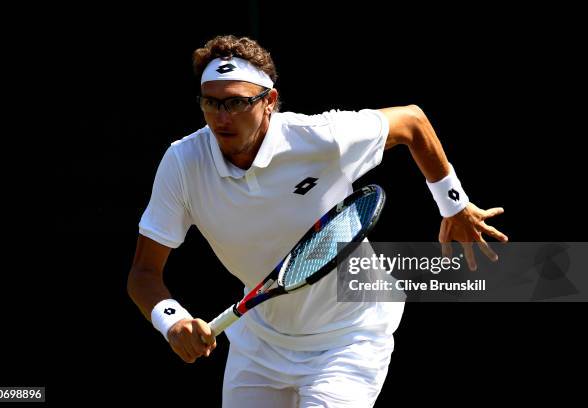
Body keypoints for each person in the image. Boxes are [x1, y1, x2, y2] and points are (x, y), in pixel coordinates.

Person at [127, 34, 508, 407]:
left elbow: (412, 122)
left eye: (237, 104)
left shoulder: (320, 138)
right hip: (259, 345)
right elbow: (144, 274)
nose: (222, 117)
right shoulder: (182, 162)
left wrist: (454, 205)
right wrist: (172, 321)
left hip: (349, 339)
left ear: (269, 101)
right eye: (211, 103)